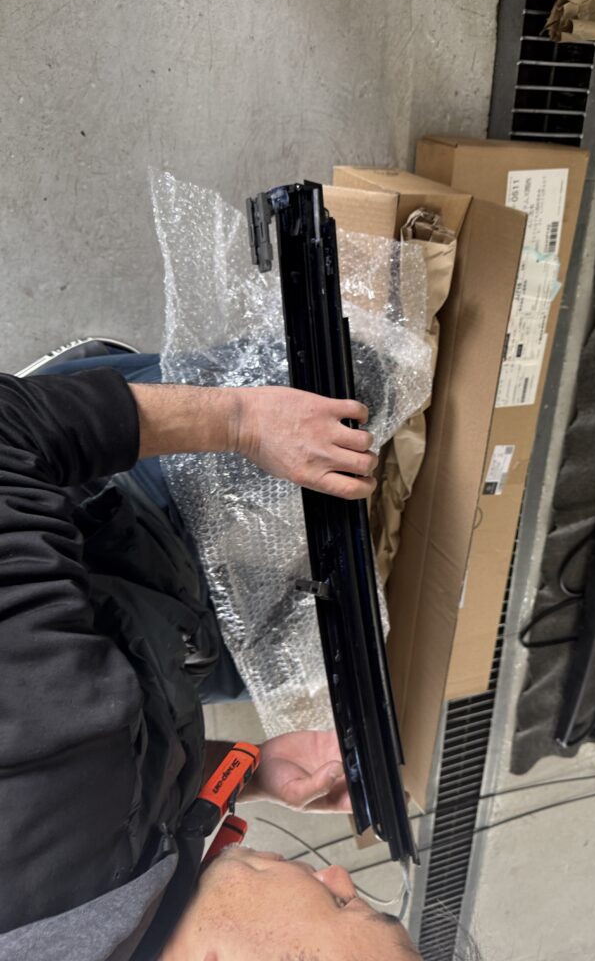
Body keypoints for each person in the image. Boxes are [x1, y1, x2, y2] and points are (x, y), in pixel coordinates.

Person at [0, 349, 423, 961]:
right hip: (143, 647)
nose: (339, 876)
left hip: (71, 498)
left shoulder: (58, 783)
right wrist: (250, 773)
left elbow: (9, 428)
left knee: (353, 384)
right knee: (318, 651)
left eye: (340, 905)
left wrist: (241, 421)